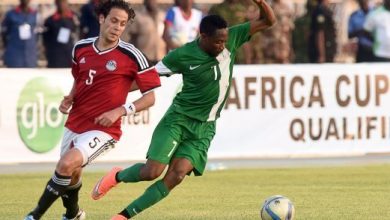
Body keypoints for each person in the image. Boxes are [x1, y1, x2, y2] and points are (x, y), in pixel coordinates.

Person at [91, 0, 276, 219]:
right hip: (178, 120)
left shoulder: (231, 38)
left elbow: (268, 21)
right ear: (203, 37)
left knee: (176, 176)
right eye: (217, 42)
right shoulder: (182, 55)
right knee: (152, 172)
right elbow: (147, 77)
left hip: (205, 128)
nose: (222, 47)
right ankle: (118, 176)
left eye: (224, 42)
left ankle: (123, 216)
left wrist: (260, 2)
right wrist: (112, 97)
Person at [24, 0, 161, 219]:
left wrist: (120, 111)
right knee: (71, 173)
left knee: (66, 163)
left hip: (105, 130)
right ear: (101, 19)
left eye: (123, 23)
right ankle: (73, 214)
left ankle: (34, 215)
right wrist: (70, 97)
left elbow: (150, 97)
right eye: (114, 21)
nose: (117, 27)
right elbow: (80, 78)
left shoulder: (131, 55)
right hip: (76, 121)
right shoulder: (81, 48)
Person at [122, 0, 166, 65]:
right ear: (145, 2)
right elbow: (132, 38)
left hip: (161, 58)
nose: (152, 2)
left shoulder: (163, 16)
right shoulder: (138, 17)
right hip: (145, 59)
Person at [1, 0, 38, 67]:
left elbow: (37, 34)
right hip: (14, 55)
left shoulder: (35, 15)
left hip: (30, 56)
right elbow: (4, 33)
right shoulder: (11, 14)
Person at [42, 0, 78, 68]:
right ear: (56, 3)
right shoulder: (50, 21)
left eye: (64, 2)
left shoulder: (73, 18)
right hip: (55, 57)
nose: (62, 5)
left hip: (69, 56)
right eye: (60, 2)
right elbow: (45, 40)